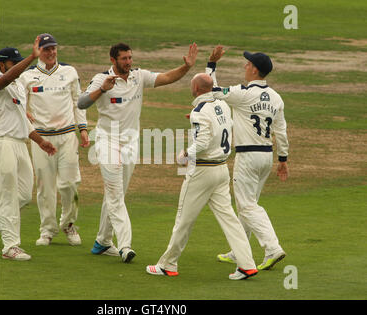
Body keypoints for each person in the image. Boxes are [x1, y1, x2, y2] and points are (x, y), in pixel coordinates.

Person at [78, 42, 198, 263]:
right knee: (115, 194)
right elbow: (81, 103)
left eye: (130, 58)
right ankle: (125, 245)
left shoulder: (138, 76)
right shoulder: (100, 78)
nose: (129, 62)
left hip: (130, 144)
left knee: (117, 195)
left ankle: (103, 242)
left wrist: (187, 67)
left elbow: (166, 78)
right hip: (107, 142)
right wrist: (103, 88)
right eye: (124, 59)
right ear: (113, 60)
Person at [145, 73, 258, 280]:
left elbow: (204, 142)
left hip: (202, 172)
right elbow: (219, 127)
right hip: (222, 170)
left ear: (196, 89)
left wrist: (185, 154)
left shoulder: (199, 112)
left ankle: (168, 264)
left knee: (183, 220)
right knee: (230, 219)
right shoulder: (222, 105)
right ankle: (247, 265)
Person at [206, 45, 289, 270]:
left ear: (255, 70)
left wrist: (211, 65)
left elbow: (210, 91)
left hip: (248, 157)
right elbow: (280, 131)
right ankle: (239, 251)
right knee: (248, 203)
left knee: (247, 206)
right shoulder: (276, 98)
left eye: (248, 63)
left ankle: (272, 248)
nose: (245, 65)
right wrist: (283, 159)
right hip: (266, 157)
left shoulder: (243, 94)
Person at [0, 37, 57, 261]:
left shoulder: (19, 87)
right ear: (2, 65)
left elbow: (23, 120)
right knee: (7, 195)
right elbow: (7, 78)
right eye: (14, 63)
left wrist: (40, 141)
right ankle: (10, 247)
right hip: (1, 143)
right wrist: (32, 57)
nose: (18, 67)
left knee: (23, 196)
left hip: (20, 144)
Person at [19, 33, 90, 246]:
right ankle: (47, 230)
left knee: (70, 183)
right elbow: (18, 104)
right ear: (38, 51)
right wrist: (26, 114)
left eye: (53, 48)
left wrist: (83, 129)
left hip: (67, 136)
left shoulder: (69, 72)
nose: (50, 52)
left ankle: (68, 224)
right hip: (41, 140)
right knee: (45, 187)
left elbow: (79, 101)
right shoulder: (28, 76)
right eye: (46, 49)